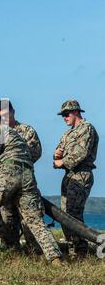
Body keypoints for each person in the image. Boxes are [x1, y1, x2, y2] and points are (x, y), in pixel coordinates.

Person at [0, 101, 62, 265]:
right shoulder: (17, 136)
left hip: (7, 173)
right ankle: (55, 258)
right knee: (35, 220)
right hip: (27, 176)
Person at [0, 100, 42, 250]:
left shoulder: (26, 130)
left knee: (29, 219)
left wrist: (14, 161)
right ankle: (11, 251)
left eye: (6, 114)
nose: (4, 118)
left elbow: (36, 153)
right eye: (0, 116)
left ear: (13, 112)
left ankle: (35, 251)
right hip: (3, 181)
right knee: (6, 218)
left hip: (23, 180)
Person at [54, 100, 99, 257]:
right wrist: (57, 157)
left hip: (81, 175)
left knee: (73, 214)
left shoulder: (86, 129)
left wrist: (61, 161)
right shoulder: (67, 134)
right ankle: (73, 249)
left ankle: (81, 252)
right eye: (63, 115)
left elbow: (79, 155)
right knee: (65, 215)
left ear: (76, 112)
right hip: (69, 176)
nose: (64, 118)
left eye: (66, 114)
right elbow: (56, 154)